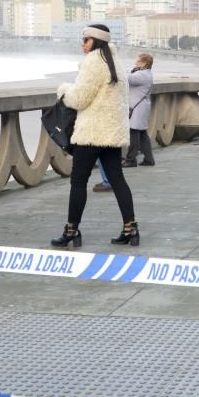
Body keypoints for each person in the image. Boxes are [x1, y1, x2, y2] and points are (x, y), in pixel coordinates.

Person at [51, 24, 139, 248]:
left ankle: (71, 231)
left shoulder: (92, 62)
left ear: (96, 41)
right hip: (112, 133)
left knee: (78, 182)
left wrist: (63, 90)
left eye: (86, 40)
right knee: (118, 180)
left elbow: (79, 99)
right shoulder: (116, 63)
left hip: (91, 133)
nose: (83, 44)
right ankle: (131, 228)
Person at [123, 53, 155, 168]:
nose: (136, 63)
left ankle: (131, 160)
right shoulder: (147, 74)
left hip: (137, 109)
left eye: (138, 62)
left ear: (144, 63)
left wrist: (129, 70)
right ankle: (149, 159)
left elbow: (126, 78)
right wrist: (134, 69)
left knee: (134, 133)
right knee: (142, 134)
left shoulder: (142, 75)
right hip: (142, 107)